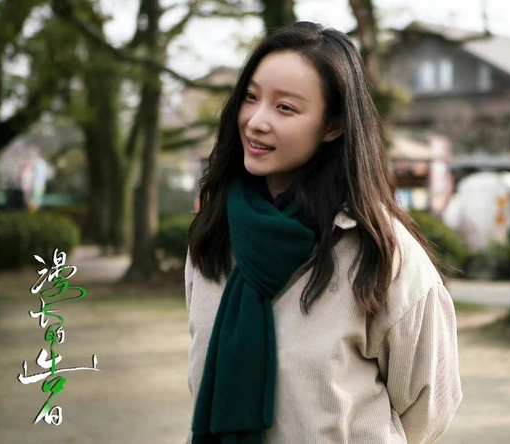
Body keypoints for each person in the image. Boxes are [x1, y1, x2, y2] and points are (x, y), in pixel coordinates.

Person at [184, 21, 462, 444]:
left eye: (285, 108)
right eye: (251, 98)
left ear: (333, 126)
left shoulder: (382, 253)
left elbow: (428, 406)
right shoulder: (214, 235)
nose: (256, 121)